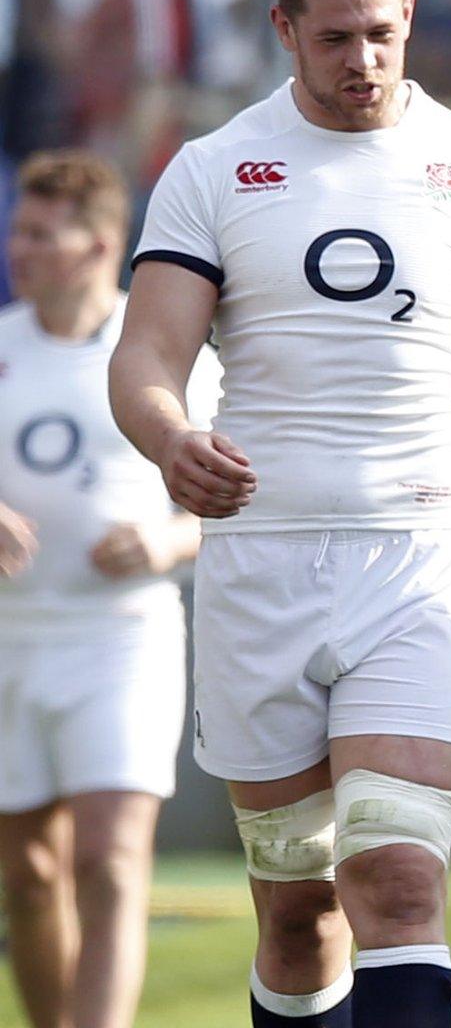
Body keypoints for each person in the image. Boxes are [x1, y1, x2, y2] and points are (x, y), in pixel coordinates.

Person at [107, 0, 451, 1028]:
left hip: (415, 564)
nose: (364, 61)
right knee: (296, 912)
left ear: (411, 15)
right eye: (335, 38)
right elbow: (147, 357)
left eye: (381, 32)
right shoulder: (212, 170)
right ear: (285, 28)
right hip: (262, 565)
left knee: (393, 878)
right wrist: (169, 435)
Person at [0, 151, 218, 1028]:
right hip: (11, 638)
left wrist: (165, 539)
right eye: (19, 229)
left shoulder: (160, 351)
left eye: (42, 234)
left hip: (122, 638)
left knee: (112, 861)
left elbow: (226, 497)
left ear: (99, 247)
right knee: (28, 875)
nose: (19, 248)